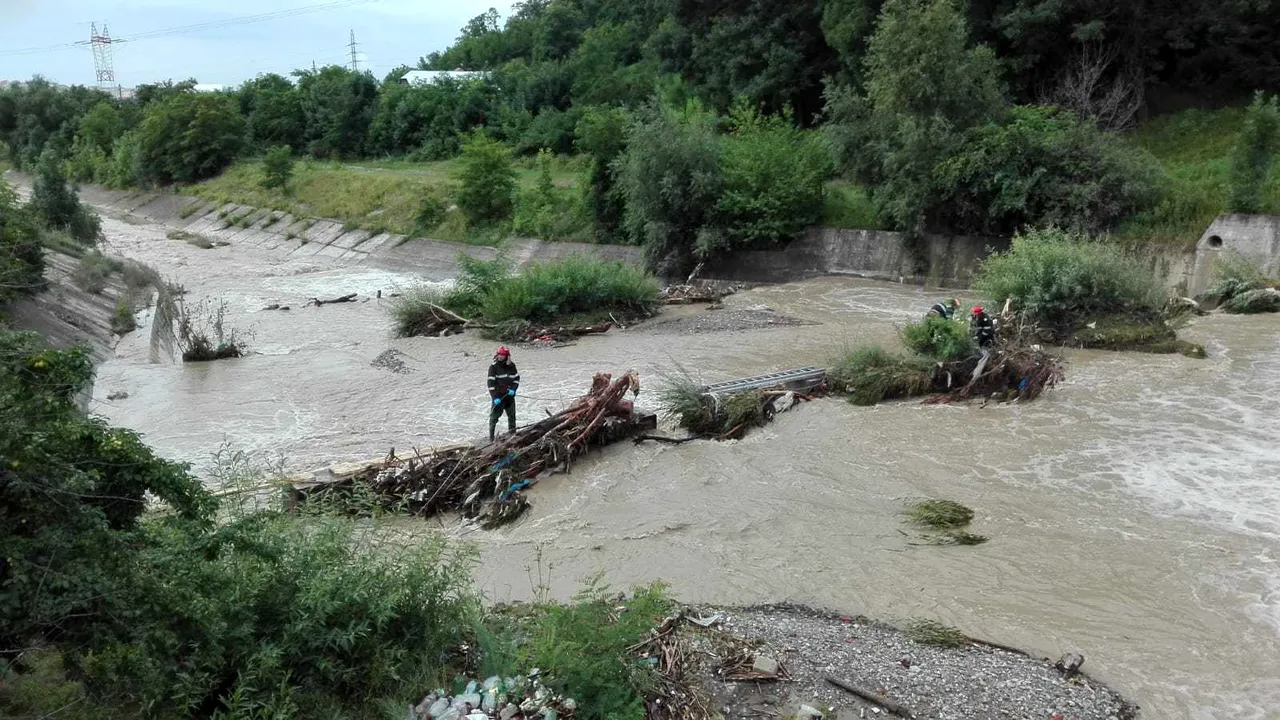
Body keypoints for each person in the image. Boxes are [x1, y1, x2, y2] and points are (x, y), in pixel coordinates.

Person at [487, 346, 520, 441]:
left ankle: (513, 435)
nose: (500, 356)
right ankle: (491, 438)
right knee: (493, 418)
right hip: (499, 398)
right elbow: (490, 384)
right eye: (499, 354)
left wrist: (513, 389)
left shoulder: (512, 366)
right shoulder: (493, 367)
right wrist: (495, 397)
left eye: (502, 355)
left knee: (512, 417)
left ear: (507, 356)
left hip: (509, 397)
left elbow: (516, 379)